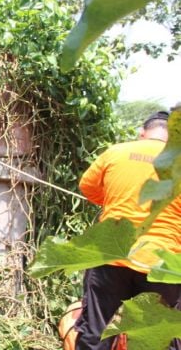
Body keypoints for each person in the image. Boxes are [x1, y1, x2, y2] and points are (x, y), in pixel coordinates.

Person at [75, 110, 181, 350]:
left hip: (111, 257)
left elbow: (87, 187)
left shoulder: (116, 152)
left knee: (95, 333)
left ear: (142, 134)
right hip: (160, 264)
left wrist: (117, 200)